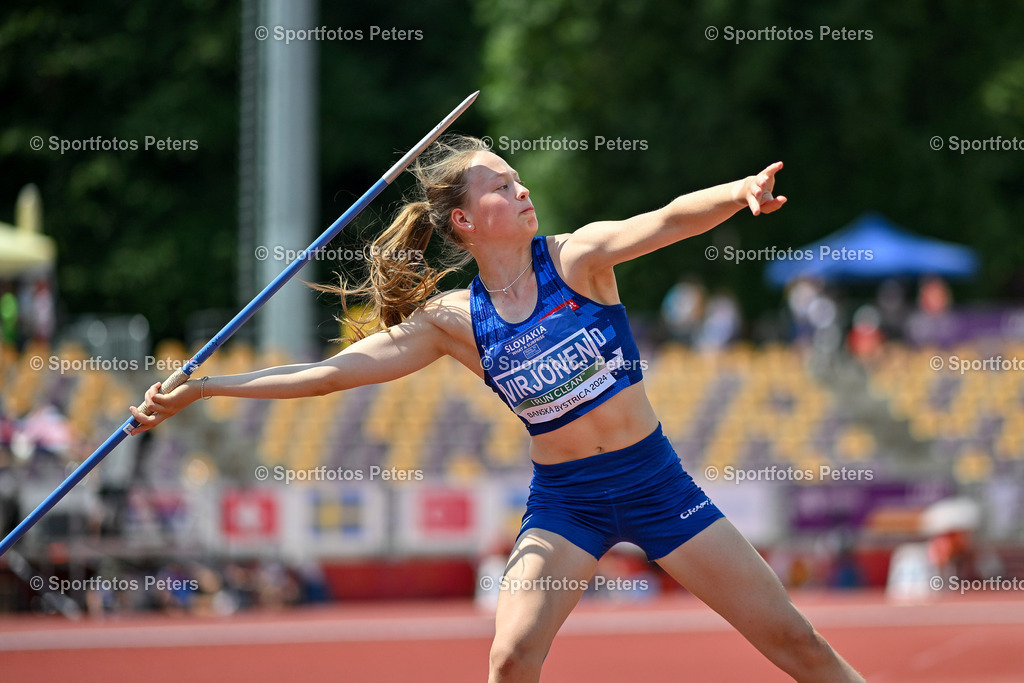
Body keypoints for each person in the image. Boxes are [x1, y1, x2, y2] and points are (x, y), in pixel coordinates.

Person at [130, 136, 863, 682]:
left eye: (519, 180)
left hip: (656, 485)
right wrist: (207, 388)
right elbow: (330, 374)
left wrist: (737, 192)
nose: (520, 190)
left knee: (796, 645)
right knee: (510, 657)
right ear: (463, 220)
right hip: (566, 506)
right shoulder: (456, 320)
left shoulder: (578, 259)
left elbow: (669, 219)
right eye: (500, 185)